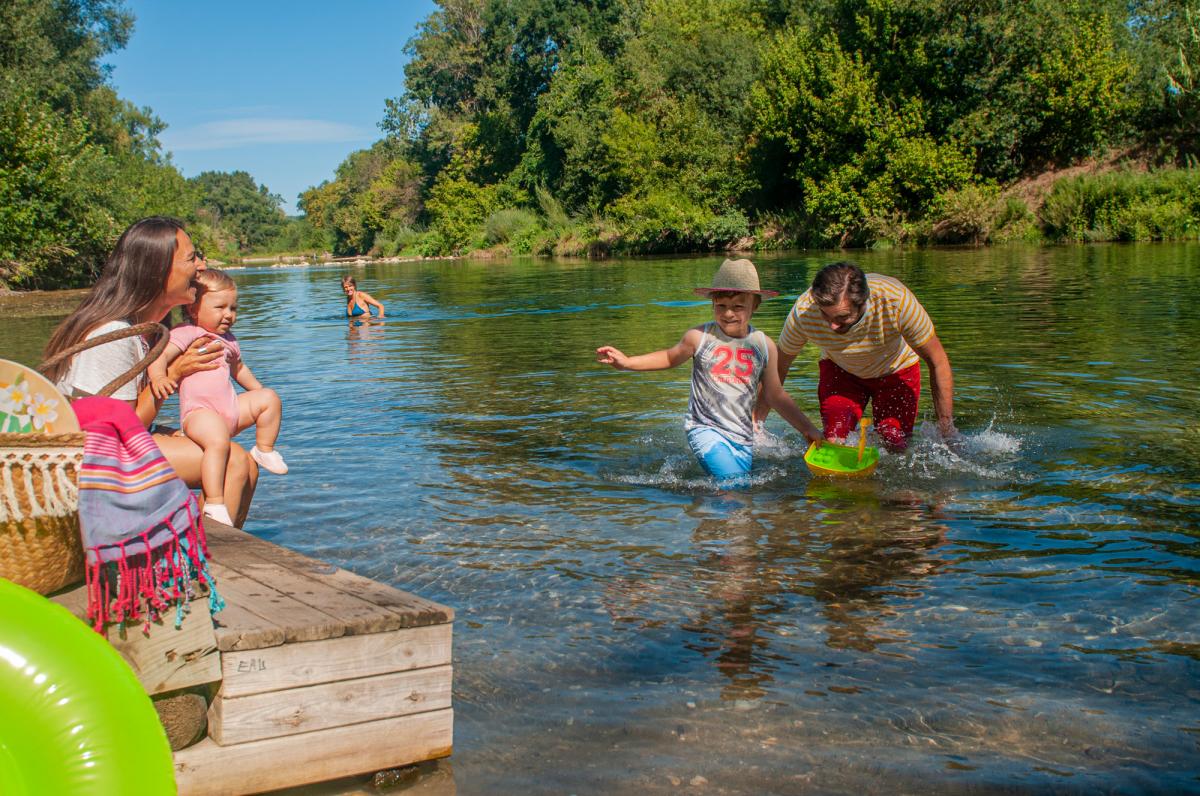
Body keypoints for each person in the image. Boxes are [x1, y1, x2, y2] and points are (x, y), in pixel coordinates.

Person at [42, 217, 259, 527]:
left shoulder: (152, 331)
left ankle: (200, 547)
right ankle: (200, 554)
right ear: (158, 270)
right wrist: (175, 373)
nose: (201, 266)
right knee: (233, 463)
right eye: (191, 258)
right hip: (90, 456)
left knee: (247, 465)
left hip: (121, 439)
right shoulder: (114, 334)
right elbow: (118, 430)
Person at [596, 258, 824, 481]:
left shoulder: (764, 346)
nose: (728, 313)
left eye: (738, 307)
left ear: (755, 305)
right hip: (704, 429)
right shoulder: (699, 337)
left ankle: (704, 507)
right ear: (712, 304)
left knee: (737, 490)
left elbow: (775, 395)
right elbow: (668, 357)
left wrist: (807, 429)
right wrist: (627, 363)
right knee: (734, 485)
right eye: (721, 306)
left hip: (743, 437)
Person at [757, 261, 956, 450]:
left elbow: (937, 362)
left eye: (842, 317)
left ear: (863, 303)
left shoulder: (896, 301)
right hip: (841, 371)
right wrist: (755, 426)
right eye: (825, 314)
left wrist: (946, 431)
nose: (832, 325)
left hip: (897, 370)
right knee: (835, 440)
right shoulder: (804, 312)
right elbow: (777, 369)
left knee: (894, 442)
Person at [148, 269, 288, 526]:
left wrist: (258, 391)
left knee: (270, 398)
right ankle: (214, 502)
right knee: (218, 443)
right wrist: (159, 377)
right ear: (194, 309)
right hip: (200, 414)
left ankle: (264, 449)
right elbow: (160, 355)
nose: (229, 314)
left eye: (233, 308)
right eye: (220, 307)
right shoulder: (188, 332)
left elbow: (239, 369)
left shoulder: (229, 340)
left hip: (229, 409)